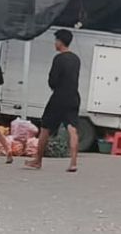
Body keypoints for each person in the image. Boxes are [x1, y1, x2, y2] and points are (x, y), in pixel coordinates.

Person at [28, 29, 81, 172]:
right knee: (72, 129)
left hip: (59, 98)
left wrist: (54, 86)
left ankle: (38, 161)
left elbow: (53, 80)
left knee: (45, 128)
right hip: (74, 97)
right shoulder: (76, 59)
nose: (55, 43)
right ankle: (73, 162)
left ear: (60, 42)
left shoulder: (59, 59)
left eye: (56, 40)